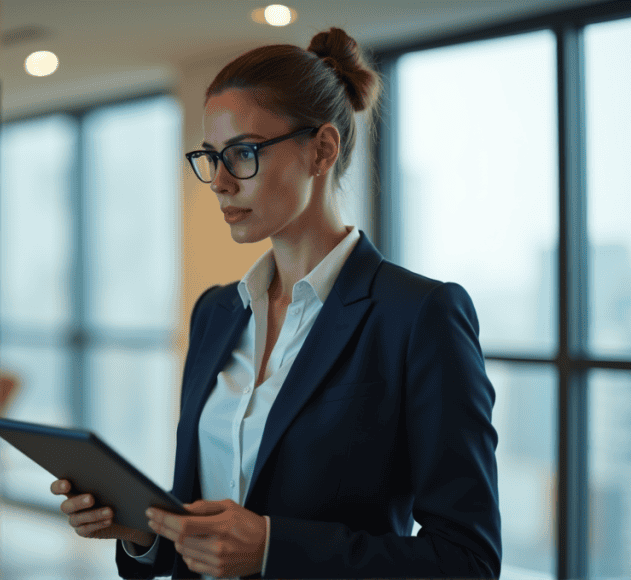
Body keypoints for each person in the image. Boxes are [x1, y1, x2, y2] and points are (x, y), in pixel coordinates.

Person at [51, 27, 501, 579]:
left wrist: (272, 548)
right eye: (211, 157)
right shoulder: (216, 313)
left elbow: (467, 561)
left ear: (322, 150)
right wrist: (145, 533)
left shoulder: (419, 316)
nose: (218, 181)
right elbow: (207, 519)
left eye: (242, 153)